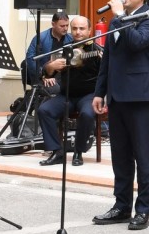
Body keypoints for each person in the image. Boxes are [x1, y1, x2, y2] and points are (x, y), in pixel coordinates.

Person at [91, 0, 149, 231]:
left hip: (141, 97)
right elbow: (108, 60)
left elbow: (136, 44)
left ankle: (143, 210)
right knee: (120, 156)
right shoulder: (115, 21)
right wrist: (100, 92)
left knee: (142, 156)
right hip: (117, 96)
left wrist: (121, 16)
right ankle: (121, 206)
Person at [35, 15, 101, 167]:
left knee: (87, 113)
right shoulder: (64, 50)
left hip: (89, 96)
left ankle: (78, 151)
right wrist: (50, 67)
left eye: (82, 28)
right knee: (44, 110)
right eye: (75, 29)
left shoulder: (98, 51)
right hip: (66, 95)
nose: (78, 32)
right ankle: (57, 151)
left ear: (89, 30)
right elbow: (46, 73)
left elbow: (108, 76)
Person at [22, 10, 70, 87]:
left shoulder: (70, 38)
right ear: (53, 24)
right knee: (55, 88)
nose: (65, 29)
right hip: (44, 77)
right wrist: (43, 76)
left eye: (67, 25)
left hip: (62, 77)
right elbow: (30, 59)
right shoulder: (41, 38)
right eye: (62, 26)